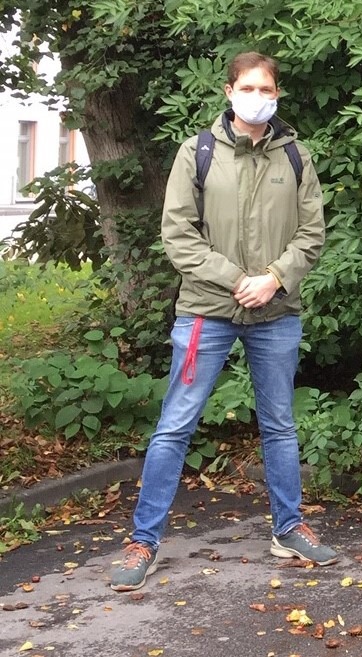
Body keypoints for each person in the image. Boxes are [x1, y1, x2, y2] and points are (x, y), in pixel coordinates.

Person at [110, 52, 332, 592]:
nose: (259, 97)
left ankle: (289, 529)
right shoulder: (198, 152)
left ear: (277, 94)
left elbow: (312, 234)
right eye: (248, 88)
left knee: (280, 426)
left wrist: (274, 278)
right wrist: (237, 279)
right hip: (206, 313)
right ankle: (143, 541)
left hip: (276, 313)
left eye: (267, 89)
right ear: (229, 92)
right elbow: (178, 235)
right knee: (175, 425)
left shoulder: (295, 155)